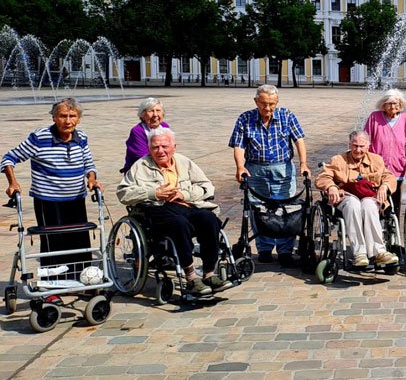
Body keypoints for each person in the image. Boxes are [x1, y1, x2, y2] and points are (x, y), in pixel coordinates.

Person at [117, 128, 231, 295]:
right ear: (149, 149)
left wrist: (184, 194)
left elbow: (207, 186)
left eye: (164, 146)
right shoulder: (140, 166)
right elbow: (123, 193)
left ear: (174, 147)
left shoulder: (184, 162)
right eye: (155, 147)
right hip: (156, 210)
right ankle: (191, 277)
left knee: (209, 219)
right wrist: (153, 193)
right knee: (179, 224)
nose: (160, 151)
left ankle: (209, 274)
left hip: (185, 205)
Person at [2, 98, 104, 274]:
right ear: (54, 117)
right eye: (63, 116)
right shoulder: (40, 138)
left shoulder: (81, 137)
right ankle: (52, 282)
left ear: (79, 118)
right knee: (53, 241)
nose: (68, 121)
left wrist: (92, 178)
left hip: (76, 198)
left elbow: (89, 163)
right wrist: (13, 182)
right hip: (48, 200)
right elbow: (8, 159)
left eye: (72, 116)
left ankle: (81, 277)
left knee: (79, 239)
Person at [229, 85, 310, 266]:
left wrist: (303, 163)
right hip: (255, 170)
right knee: (259, 210)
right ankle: (264, 248)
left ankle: (285, 250)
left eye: (271, 104)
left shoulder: (286, 115)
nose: (267, 108)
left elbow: (299, 140)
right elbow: (239, 145)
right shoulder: (245, 118)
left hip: (282, 170)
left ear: (277, 101)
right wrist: (240, 167)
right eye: (263, 104)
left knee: (285, 210)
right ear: (256, 101)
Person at [315, 131, 400, 268]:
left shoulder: (376, 160)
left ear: (368, 146)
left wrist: (384, 187)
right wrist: (331, 187)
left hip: (369, 197)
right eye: (355, 146)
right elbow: (322, 177)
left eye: (361, 146)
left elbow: (389, 177)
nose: (358, 150)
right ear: (349, 144)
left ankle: (379, 252)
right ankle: (359, 253)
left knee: (368, 205)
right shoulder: (338, 160)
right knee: (353, 204)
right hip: (346, 197)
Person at [364, 89, 406, 210]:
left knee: (395, 198)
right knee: (376, 196)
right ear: (383, 105)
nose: (392, 106)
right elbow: (366, 139)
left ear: (400, 104)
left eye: (395, 103)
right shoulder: (374, 117)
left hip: (397, 165)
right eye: (389, 103)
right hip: (377, 166)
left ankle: (394, 220)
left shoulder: (405, 119)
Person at [122, 97, 170, 173]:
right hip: (141, 169)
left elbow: (170, 148)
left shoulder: (165, 127)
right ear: (142, 115)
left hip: (161, 165)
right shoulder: (137, 131)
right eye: (151, 111)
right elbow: (142, 156)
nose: (155, 114)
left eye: (158, 110)